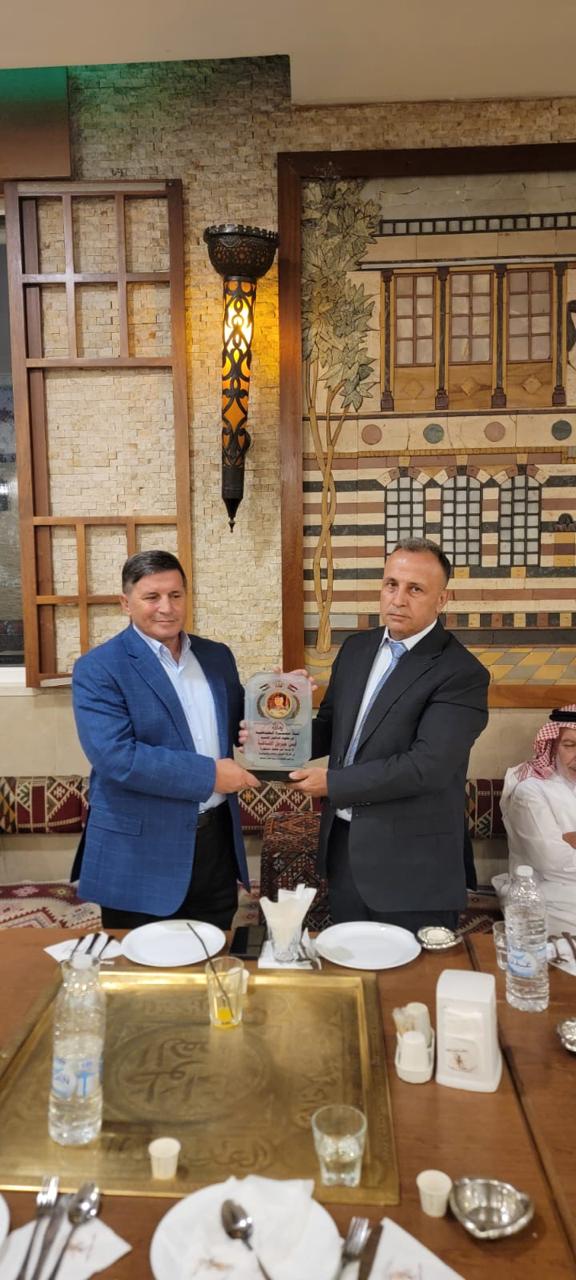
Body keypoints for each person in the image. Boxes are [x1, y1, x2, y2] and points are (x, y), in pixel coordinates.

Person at [289, 537, 489, 933]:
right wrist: (277, 732)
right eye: (391, 584)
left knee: (415, 974)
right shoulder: (356, 649)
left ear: (442, 599)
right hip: (346, 849)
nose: (398, 599)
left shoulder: (462, 673)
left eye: (415, 589)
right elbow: (330, 729)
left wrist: (333, 783)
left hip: (414, 867)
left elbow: (426, 767)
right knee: (351, 963)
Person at [72, 549, 259, 930]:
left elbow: (242, 723)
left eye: (175, 595)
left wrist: (283, 694)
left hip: (214, 846)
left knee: (213, 954)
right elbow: (117, 757)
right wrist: (210, 775)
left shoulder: (216, 656)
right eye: (151, 597)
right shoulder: (99, 667)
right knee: (137, 964)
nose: (166, 608)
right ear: (126, 603)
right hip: (138, 852)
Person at [498, 706, 576, 934]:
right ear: (552, 746)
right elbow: (552, 862)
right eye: (570, 745)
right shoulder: (530, 790)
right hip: (544, 897)